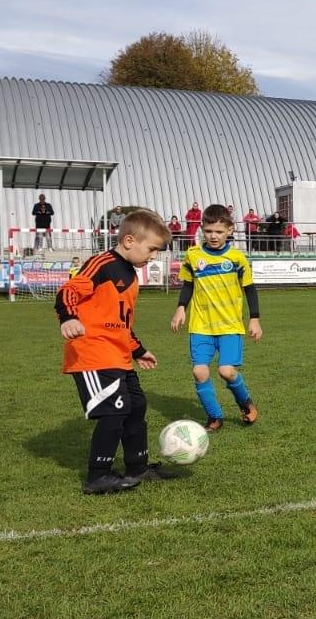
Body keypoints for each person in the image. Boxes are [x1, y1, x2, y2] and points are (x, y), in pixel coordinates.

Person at [55, 210, 174, 494]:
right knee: (114, 411)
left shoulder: (130, 276)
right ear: (130, 240)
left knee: (136, 405)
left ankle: (138, 467)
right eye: (152, 249)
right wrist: (69, 317)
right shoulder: (103, 263)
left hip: (118, 354)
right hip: (92, 353)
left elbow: (120, 322)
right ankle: (98, 475)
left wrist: (139, 350)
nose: (153, 257)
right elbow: (68, 291)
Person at [171, 204, 262, 432]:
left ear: (230, 230)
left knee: (226, 371)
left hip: (230, 325)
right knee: (199, 371)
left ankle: (245, 402)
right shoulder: (193, 256)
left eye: (219, 231)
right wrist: (181, 308)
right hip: (201, 324)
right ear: (202, 228)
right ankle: (214, 417)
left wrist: (254, 318)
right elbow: (188, 285)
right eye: (209, 231)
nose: (213, 236)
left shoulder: (237, 258)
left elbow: (249, 289)